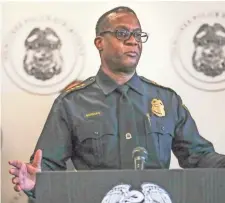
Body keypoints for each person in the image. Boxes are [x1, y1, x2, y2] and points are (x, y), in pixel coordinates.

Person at [8, 6, 225, 200]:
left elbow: (199, 156)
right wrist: (37, 183)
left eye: (138, 35)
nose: (133, 41)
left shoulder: (167, 100)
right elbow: (47, 167)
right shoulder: (71, 103)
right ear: (99, 42)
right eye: (122, 33)